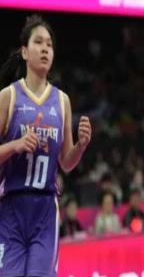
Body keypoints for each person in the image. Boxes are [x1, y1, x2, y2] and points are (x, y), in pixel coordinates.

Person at [0, 14, 92, 276]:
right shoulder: (8, 97)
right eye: (38, 42)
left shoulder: (62, 101)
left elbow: (66, 163)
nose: (45, 49)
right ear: (24, 51)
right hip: (10, 208)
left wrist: (81, 146)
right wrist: (15, 146)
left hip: (45, 211)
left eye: (49, 45)